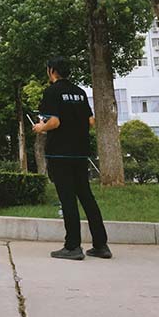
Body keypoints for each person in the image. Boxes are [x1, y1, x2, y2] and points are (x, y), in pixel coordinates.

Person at [33, 56, 112, 261]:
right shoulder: (79, 92)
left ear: (52, 70)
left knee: (67, 198)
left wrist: (41, 127)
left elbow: (54, 122)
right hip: (80, 152)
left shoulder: (52, 92)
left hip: (60, 152)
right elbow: (91, 121)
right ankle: (101, 245)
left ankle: (73, 246)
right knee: (86, 196)